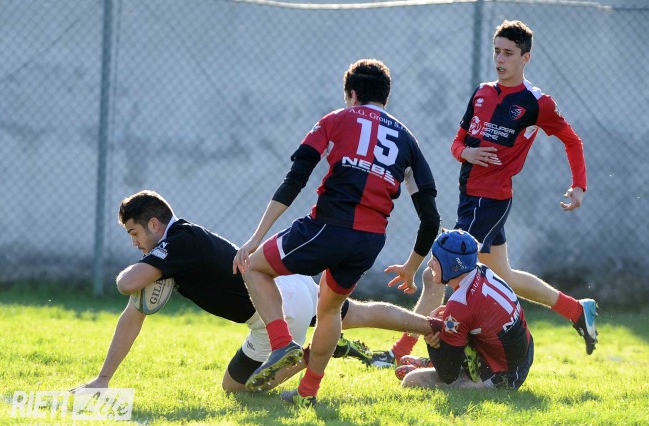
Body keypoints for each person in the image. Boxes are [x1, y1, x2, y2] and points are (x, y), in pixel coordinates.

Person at [371, 19, 598, 367]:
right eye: (496, 51)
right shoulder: (481, 93)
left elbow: (573, 141)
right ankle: (577, 310)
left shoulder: (537, 103)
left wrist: (579, 185)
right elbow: (456, 143)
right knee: (504, 276)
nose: (500, 59)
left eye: (508, 53)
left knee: (438, 272)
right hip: (470, 198)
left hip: (490, 201)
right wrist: (467, 153)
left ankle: (400, 352)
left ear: (525, 57)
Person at [70, 190, 437, 394]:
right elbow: (134, 313)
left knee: (235, 388)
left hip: (272, 314)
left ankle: (321, 350)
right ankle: (435, 328)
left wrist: (103, 379)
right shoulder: (179, 244)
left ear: (154, 224)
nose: (135, 244)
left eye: (134, 234)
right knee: (358, 312)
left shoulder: (177, 243)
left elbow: (127, 284)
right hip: (288, 286)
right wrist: (104, 379)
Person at [233, 59, 441, 408]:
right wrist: (411, 266)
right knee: (330, 311)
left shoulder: (336, 119)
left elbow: (295, 179)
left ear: (352, 94)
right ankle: (307, 393)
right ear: (385, 97)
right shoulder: (408, 140)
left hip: (329, 227)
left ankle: (282, 344)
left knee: (254, 267)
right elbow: (431, 219)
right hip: (369, 242)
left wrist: (255, 238)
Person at [401, 229, 534, 390]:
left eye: (435, 259)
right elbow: (478, 314)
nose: (429, 264)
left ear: (452, 265)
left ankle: (452, 364)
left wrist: (432, 342)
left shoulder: (460, 304)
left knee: (411, 381)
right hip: (523, 351)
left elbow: (448, 375)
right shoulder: (482, 270)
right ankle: (457, 361)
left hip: (506, 375)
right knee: (450, 330)